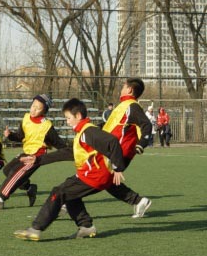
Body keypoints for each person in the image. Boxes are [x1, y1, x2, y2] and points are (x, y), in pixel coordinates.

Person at [13, 98, 126, 241]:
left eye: (68, 118)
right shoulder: (82, 132)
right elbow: (68, 153)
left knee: (58, 192)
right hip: (91, 175)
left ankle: (35, 229)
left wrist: (118, 167)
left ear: (78, 116)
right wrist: (38, 159)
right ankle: (86, 227)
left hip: (94, 176)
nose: (67, 121)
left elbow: (112, 141)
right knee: (70, 194)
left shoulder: (88, 131)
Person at [0, 94, 67, 209]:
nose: (34, 109)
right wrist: (10, 135)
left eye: (38, 108)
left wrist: (71, 152)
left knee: (16, 174)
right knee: (8, 170)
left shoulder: (46, 126)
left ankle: (0, 199)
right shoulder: (26, 118)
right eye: (33, 106)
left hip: (36, 156)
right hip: (26, 152)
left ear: (44, 111)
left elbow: (59, 143)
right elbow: (20, 136)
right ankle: (29, 188)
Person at [101, 77, 153, 218]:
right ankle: (138, 201)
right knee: (106, 181)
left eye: (123, 86)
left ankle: (68, 201)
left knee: (96, 177)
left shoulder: (132, 106)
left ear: (129, 89)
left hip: (120, 151)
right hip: (110, 150)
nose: (121, 89)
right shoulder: (123, 106)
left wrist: (142, 143)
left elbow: (146, 125)